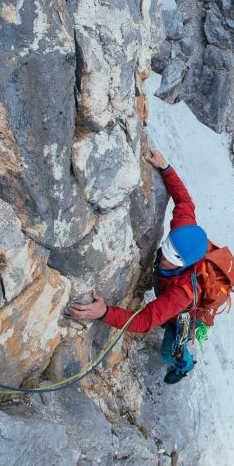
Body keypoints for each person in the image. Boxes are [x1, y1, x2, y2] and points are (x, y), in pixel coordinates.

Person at [67, 148, 208, 385]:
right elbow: (184, 201)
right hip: (171, 296)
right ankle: (169, 327)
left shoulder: (182, 294)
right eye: (166, 250)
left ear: (183, 264)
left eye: (171, 260)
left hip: (187, 317)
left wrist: (104, 313)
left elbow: (144, 321)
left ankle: (185, 366)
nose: (164, 258)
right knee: (164, 310)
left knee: (170, 351)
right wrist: (166, 168)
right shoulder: (183, 233)